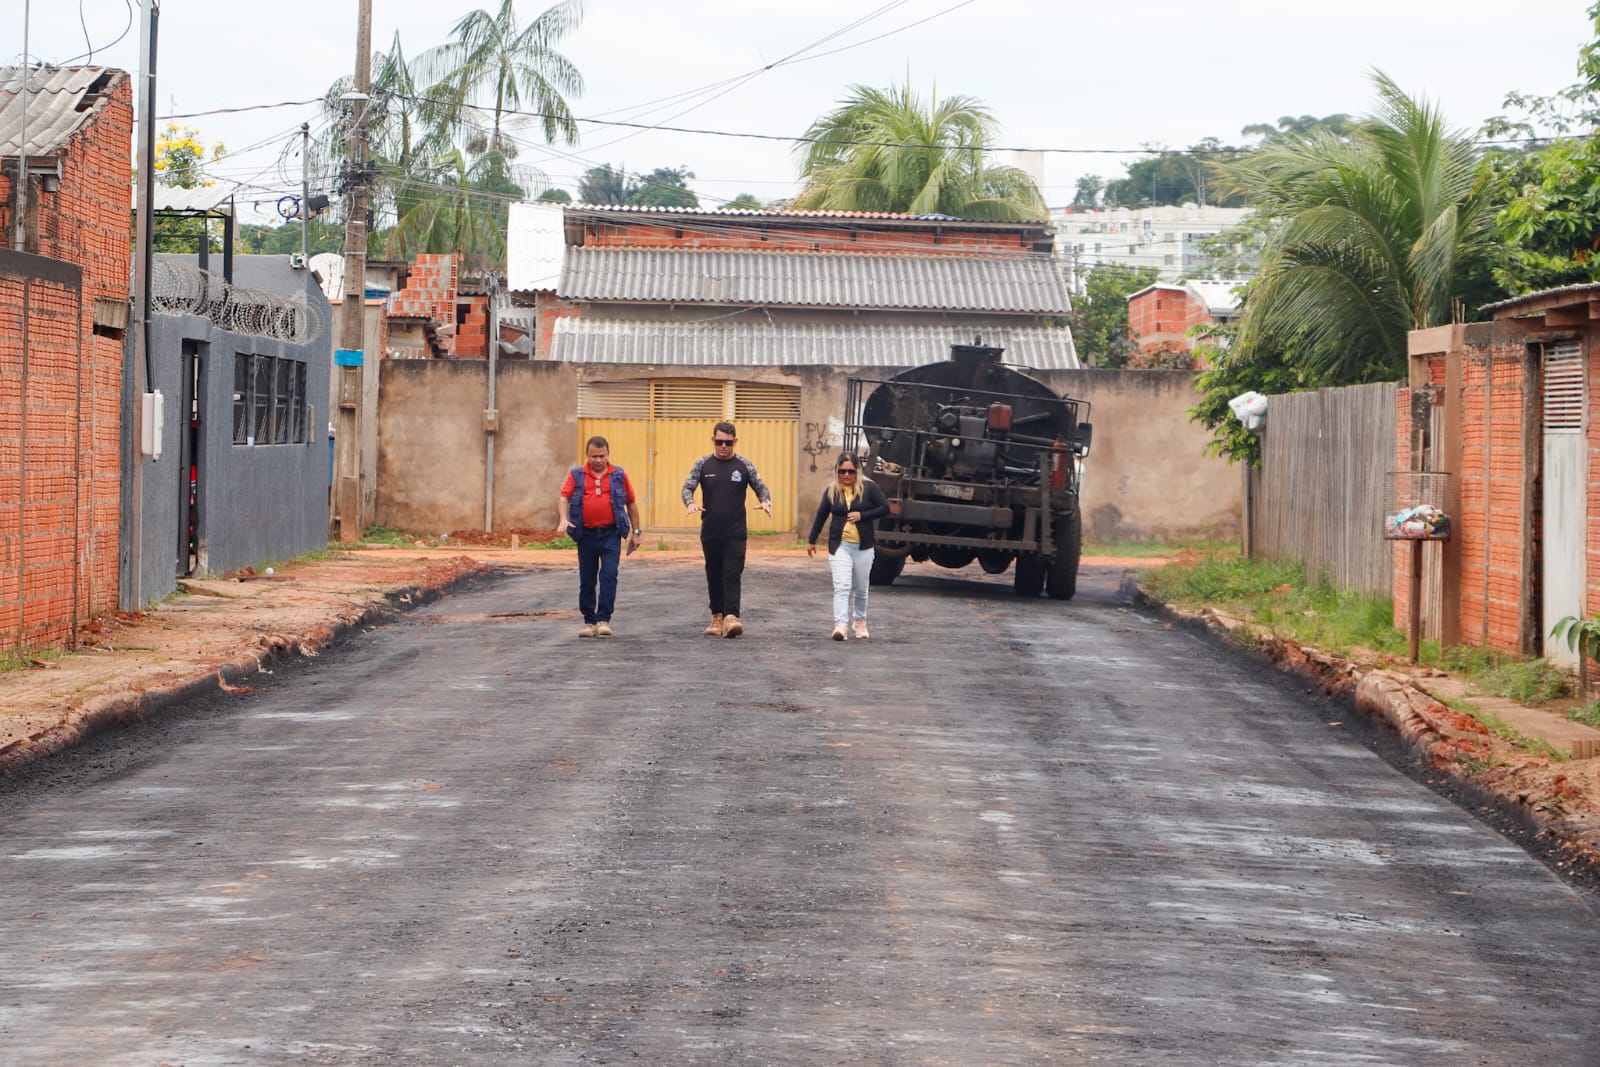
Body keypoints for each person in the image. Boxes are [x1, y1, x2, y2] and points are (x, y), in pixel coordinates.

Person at [682, 420, 772, 638]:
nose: (724, 446)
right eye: (720, 442)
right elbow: (687, 487)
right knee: (713, 574)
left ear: (735, 441)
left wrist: (766, 501)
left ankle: (732, 616)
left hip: (735, 531)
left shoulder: (744, 465)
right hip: (711, 531)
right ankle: (717, 617)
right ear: (713, 440)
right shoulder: (703, 464)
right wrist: (690, 502)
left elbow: (761, 487)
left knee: (731, 573)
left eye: (728, 442)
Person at [557, 436, 641, 638]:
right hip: (585, 535)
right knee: (587, 579)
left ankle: (603, 620)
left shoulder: (618, 475)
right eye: (594, 456)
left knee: (609, 575)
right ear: (587, 455)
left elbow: (631, 503)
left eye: (601, 456)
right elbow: (563, 497)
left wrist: (636, 532)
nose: (597, 460)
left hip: (611, 534)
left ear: (608, 454)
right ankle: (589, 621)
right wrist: (563, 518)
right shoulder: (576, 475)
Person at [807, 452, 890, 640]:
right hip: (840, 546)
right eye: (842, 471)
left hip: (863, 546)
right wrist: (812, 540)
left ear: (857, 471)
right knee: (842, 585)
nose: (846, 475)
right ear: (837, 471)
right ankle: (841, 625)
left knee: (861, 587)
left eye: (850, 471)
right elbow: (821, 515)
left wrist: (863, 515)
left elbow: (885, 508)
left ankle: (860, 622)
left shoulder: (869, 488)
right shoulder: (831, 490)